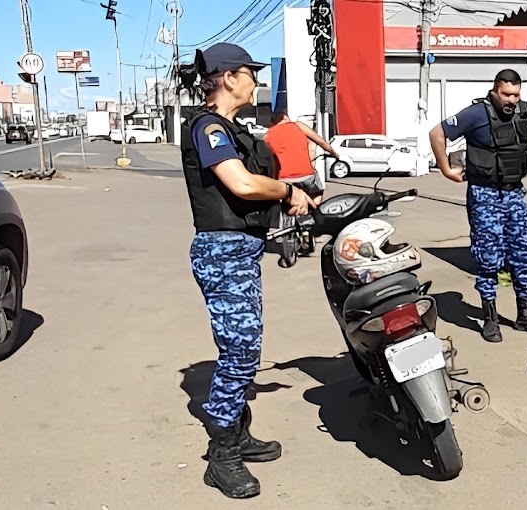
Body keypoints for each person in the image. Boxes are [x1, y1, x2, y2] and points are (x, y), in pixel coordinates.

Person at [179, 42, 316, 499]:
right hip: (222, 250)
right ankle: (221, 457)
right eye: (250, 73)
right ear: (229, 77)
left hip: (240, 250)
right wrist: (286, 191)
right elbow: (238, 183)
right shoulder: (208, 127)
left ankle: (238, 434)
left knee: (245, 347)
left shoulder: (232, 128)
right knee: (240, 351)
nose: (255, 81)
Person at [429, 69, 527, 343]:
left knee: (524, 253)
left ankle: (525, 316)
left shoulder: (522, 111)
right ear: (495, 91)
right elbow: (437, 133)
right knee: (488, 258)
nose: (511, 100)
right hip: (484, 194)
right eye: (506, 94)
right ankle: (490, 318)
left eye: (516, 94)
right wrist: (447, 169)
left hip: (513, 194)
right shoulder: (476, 114)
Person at [264, 110, 339, 205]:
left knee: (284, 202)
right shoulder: (298, 125)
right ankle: (313, 209)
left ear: (273, 123)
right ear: (286, 117)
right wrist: (334, 154)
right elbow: (321, 141)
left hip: (283, 179)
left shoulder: (267, 135)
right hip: (306, 176)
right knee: (318, 193)